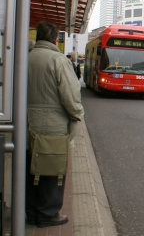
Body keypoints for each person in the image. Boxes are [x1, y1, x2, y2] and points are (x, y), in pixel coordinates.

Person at [26, 21, 84, 228]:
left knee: (29, 170)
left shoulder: (25, 58)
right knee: (51, 171)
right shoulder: (58, 61)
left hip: (26, 125)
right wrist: (77, 114)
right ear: (54, 39)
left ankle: (31, 211)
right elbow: (70, 94)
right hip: (52, 129)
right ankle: (48, 213)